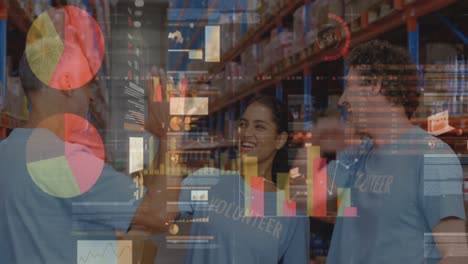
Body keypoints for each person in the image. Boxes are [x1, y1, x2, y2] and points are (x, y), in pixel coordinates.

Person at [0, 37, 169, 263]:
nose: (90, 96)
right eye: (87, 84)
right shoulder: (67, 161)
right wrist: (170, 135)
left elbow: (45, 237)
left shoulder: (6, 152)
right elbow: (158, 214)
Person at [311, 40, 467, 263]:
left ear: (374, 85)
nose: (343, 100)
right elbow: (302, 198)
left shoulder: (433, 157)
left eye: (349, 86)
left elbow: (457, 256)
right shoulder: (356, 154)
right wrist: (316, 144)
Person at [149, 95, 310, 263]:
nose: (246, 133)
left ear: (280, 139)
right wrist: (164, 137)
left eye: (259, 127)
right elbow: (156, 213)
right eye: (243, 124)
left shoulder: (293, 211)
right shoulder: (207, 181)